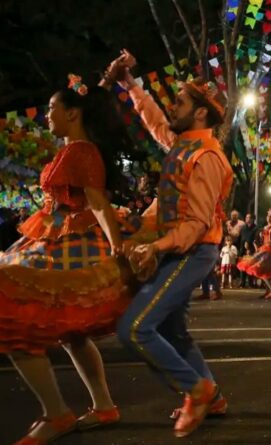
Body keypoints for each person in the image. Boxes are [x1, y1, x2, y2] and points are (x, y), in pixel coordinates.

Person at [0, 78, 136, 444]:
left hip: (70, 243)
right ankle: (103, 405)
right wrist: (104, 82)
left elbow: (97, 202)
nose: (46, 115)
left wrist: (118, 248)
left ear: (72, 114)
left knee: (12, 317)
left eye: (51, 109)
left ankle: (56, 413)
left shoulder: (81, 152)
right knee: (72, 334)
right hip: (56, 237)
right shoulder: (73, 148)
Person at [110, 50, 233, 437]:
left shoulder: (207, 157)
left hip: (193, 251)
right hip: (177, 248)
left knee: (135, 329)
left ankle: (196, 389)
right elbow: (154, 121)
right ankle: (213, 397)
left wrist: (156, 247)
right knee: (174, 333)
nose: (172, 106)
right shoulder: (183, 144)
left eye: (179, 101)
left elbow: (197, 225)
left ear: (200, 113)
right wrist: (130, 83)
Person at [238, 213, 258, 288]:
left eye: (249, 217)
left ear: (253, 219)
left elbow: (256, 240)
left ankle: (250, 283)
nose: (247, 219)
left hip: (251, 249)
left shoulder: (256, 228)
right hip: (243, 250)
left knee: (250, 267)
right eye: (246, 217)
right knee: (242, 266)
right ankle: (242, 282)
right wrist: (240, 250)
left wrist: (250, 248)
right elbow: (241, 239)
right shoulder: (243, 228)